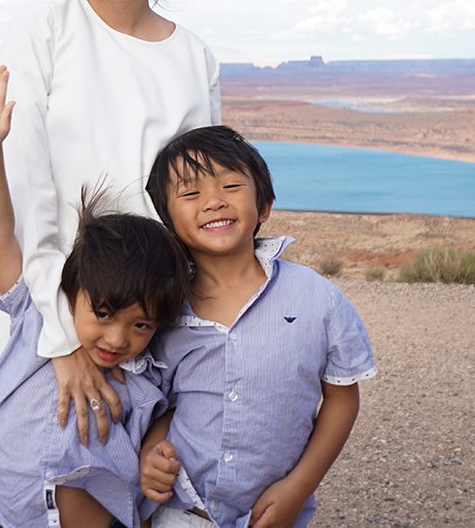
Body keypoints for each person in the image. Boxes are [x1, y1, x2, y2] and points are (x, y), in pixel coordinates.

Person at [0, 0, 221, 446]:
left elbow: (197, 202)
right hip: (59, 317)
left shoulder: (195, 56)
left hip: (152, 324)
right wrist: (62, 336)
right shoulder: (44, 27)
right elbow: (27, 190)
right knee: (58, 487)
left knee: (153, 490)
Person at [0, 65, 192, 526]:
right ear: (74, 292)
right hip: (26, 502)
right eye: (105, 313)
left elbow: (171, 417)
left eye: (141, 325)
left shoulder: (148, 368)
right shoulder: (37, 314)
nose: (117, 338)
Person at [139, 126, 377, 528]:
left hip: (270, 512)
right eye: (190, 193)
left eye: (231, 185)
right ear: (168, 218)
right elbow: (162, 404)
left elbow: (341, 398)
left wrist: (298, 487)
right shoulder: (161, 308)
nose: (213, 201)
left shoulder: (317, 298)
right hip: (182, 510)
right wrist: (151, 452)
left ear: (264, 206)